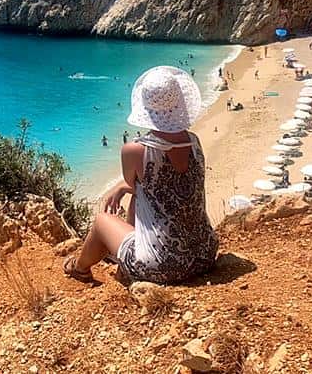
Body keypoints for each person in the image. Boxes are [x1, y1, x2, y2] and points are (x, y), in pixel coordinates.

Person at [63, 66, 218, 284]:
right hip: (204, 255)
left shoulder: (135, 150)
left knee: (101, 221)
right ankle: (125, 256)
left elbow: (135, 182)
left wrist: (123, 187)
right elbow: (153, 187)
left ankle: (79, 269)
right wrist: (123, 188)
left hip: (163, 266)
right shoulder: (194, 142)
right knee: (140, 194)